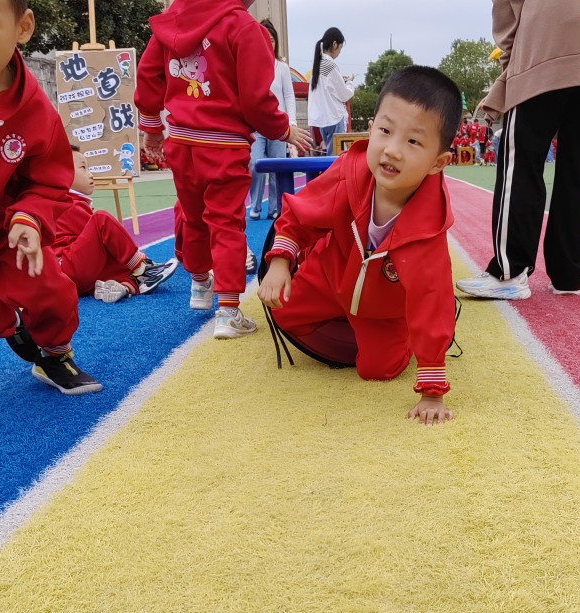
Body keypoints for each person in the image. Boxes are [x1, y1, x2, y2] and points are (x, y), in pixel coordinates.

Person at [258, 66, 460, 425]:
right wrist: (280, 262)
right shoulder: (349, 173)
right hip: (330, 274)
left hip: (382, 309)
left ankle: (402, 335)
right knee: (282, 309)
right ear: (371, 129)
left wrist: (432, 391)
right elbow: (301, 213)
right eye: (385, 131)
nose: (393, 150)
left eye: (413, 142)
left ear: (438, 162)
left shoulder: (428, 229)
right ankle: (342, 313)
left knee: (377, 370)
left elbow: (432, 301)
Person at [136, 0, 312, 338]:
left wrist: (152, 126)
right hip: (224, 145)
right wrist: (283, 129)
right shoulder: (243, 27)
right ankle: (229, 310)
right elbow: (255, 100)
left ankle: (200, 283)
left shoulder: (172, 20)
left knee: (193, 216)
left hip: (182, 141)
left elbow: (148, 74)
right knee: (227, 224)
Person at [457, 0, 580, 301]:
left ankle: (509, 271)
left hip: (553, 32)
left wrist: (512, 67)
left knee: (521, 156)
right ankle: (567, 274)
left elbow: (507, 9)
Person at [0, 0, 101, 394]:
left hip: (3, 227)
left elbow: (49, 178)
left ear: (23, 28)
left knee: (51, 291)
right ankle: (12, 325)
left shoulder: (33, 111)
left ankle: (55, 354)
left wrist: (30, 217)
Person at [55, 148, 178, 303]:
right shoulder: (68, 204)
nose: (90, 174)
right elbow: (103, 241)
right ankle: (142, 268)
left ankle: (125, 287)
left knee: (119, 263)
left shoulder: (68, 202)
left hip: (74, 275)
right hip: (67, 267)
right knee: (101, 219)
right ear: (63, 173)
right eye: (83, 168)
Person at [248, 19, 296, 221]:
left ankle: (275, 208)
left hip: (278, 126)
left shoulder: (282, 67)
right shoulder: (250, 65)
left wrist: (291, 123)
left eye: (272, 39)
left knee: (278, 167)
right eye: (264, 38)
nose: (269, 42)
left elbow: (289, 96)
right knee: (255, 164)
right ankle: (255, 205)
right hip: (257, 126)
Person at [307, 27, 355, 156]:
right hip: (334, 117)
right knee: (337, 157)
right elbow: (344, 95)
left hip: (323, 119)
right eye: (340, 48)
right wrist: (350, 82)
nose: (339, 52)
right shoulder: (330, 65)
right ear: (334, 44)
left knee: (330, 155)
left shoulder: (319, 64)